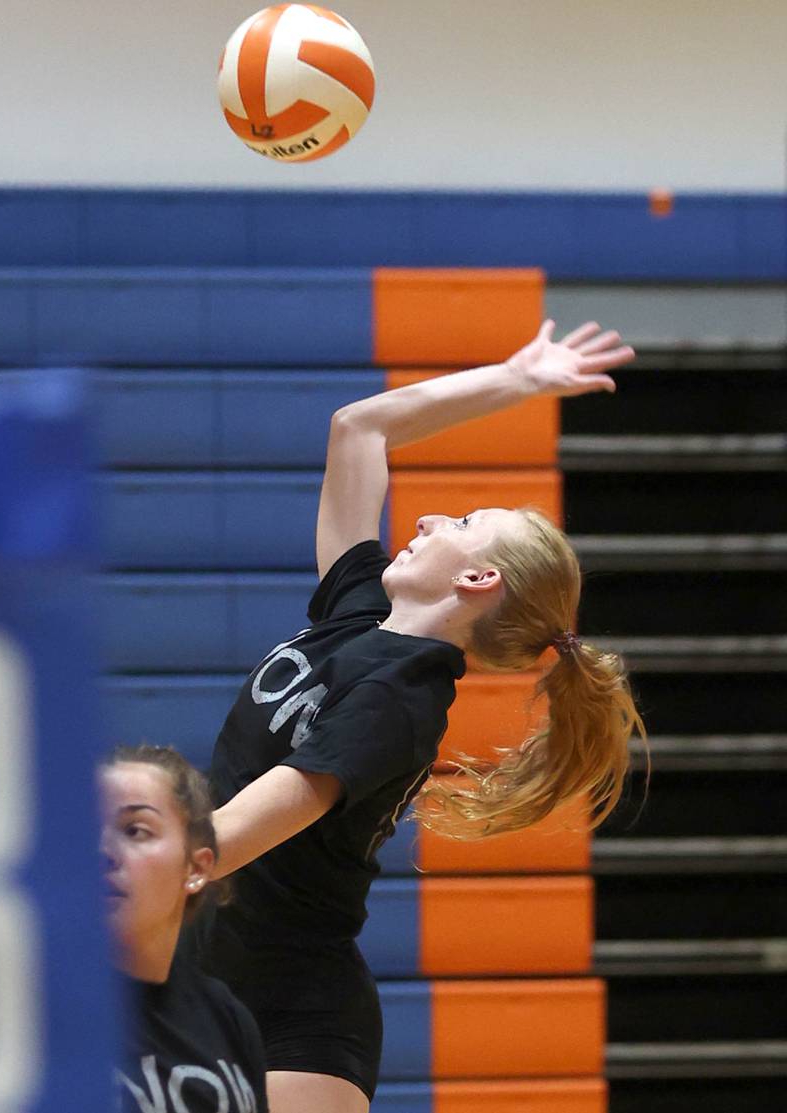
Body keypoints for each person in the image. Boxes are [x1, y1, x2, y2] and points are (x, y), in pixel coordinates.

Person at [200, 319, 646, 1113]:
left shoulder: (402, 697)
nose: (430, 521)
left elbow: (240, 833)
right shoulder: (360, 615)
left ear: (476, 577)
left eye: (463, 522)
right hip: (207, 981)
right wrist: (518, 378)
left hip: (293, 1021)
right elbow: (359, 427)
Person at [100, 744, 269, 1112]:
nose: (103, 850)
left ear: (196, 869)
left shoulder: (227, 1019)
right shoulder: (36, 1015)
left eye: (135, 830)